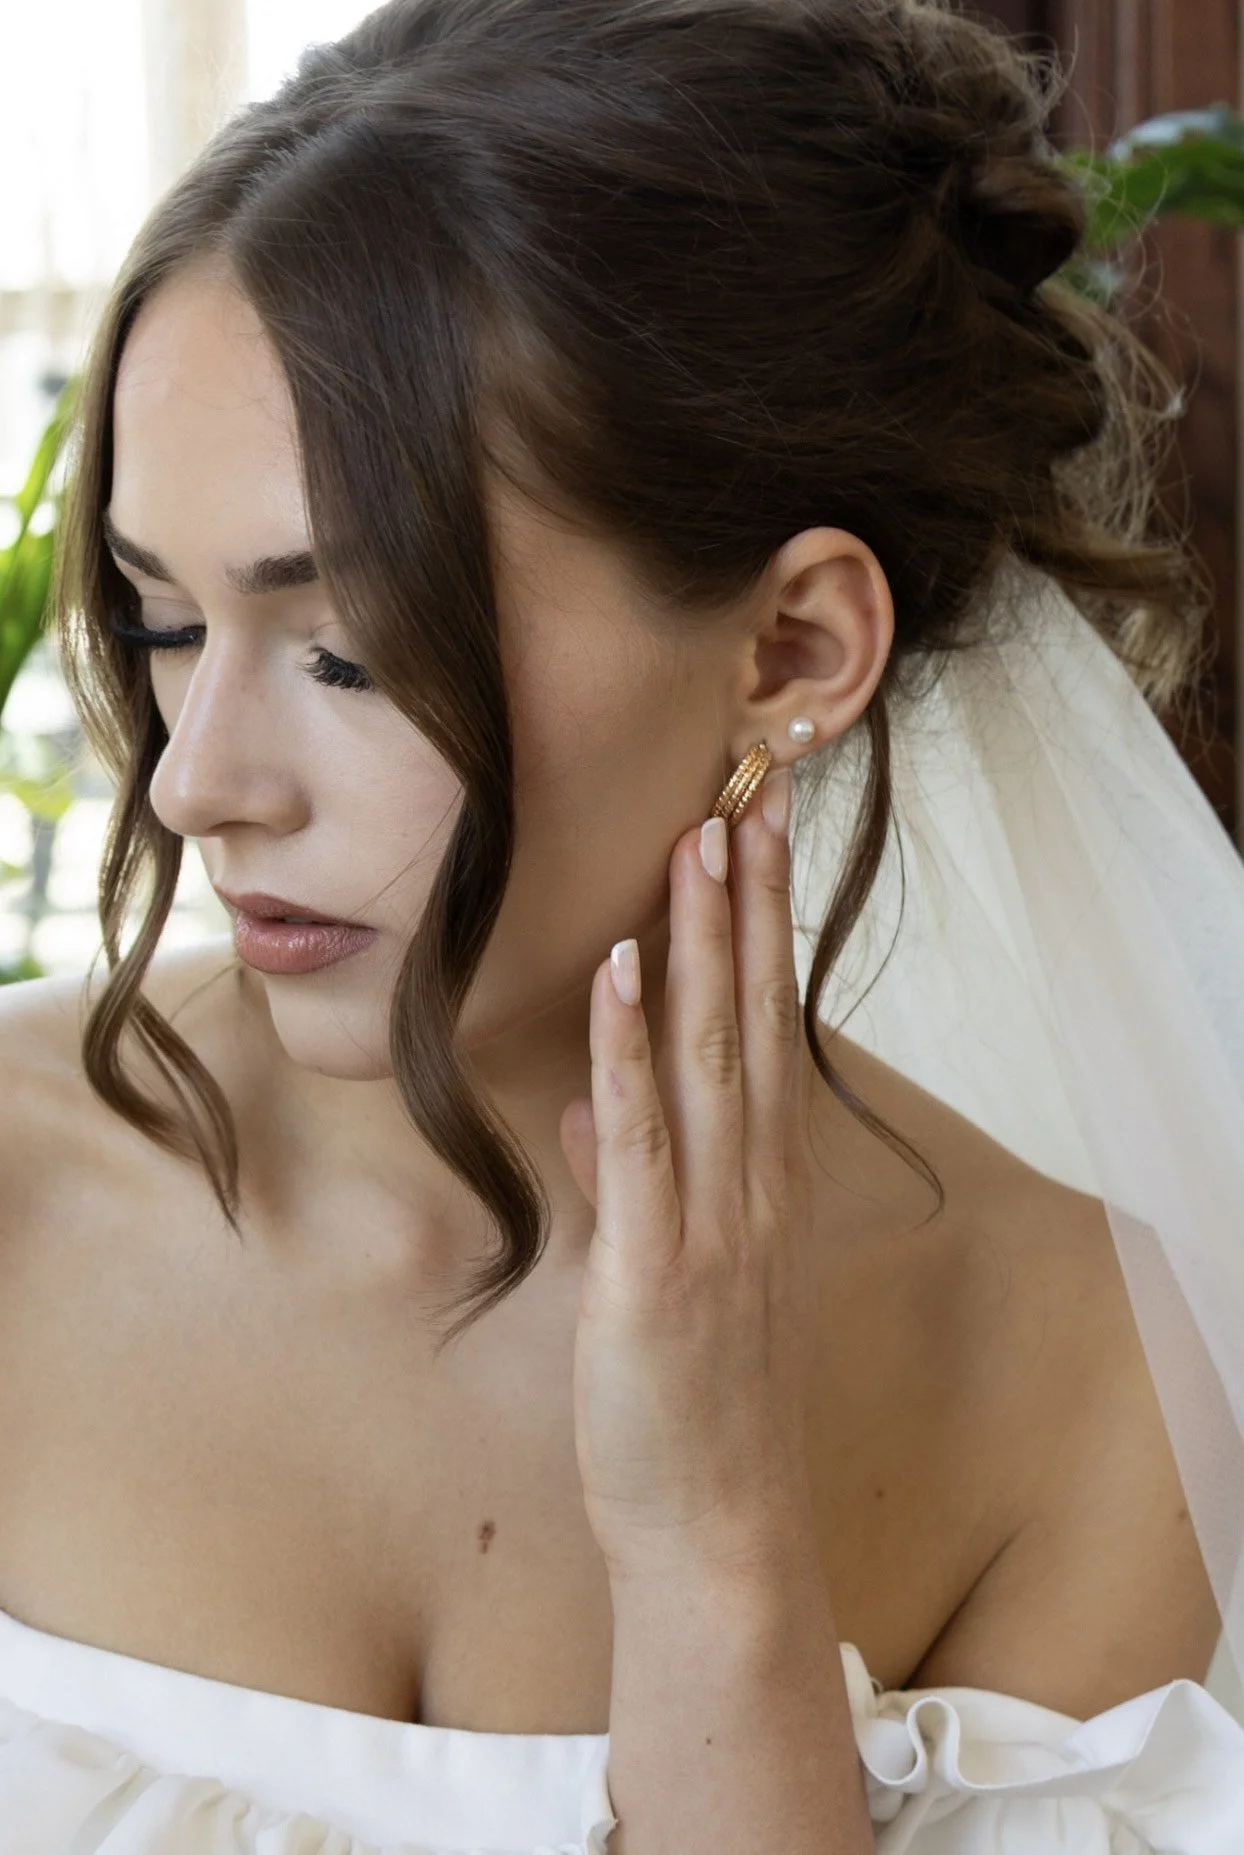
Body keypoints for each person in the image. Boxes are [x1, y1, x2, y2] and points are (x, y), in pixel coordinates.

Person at [1, 0, 1243, 1848]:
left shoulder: (1096, 1385)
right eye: (169, 624)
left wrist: (718, 1546)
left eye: (346, 646)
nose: (196, 785)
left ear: (792, 648)